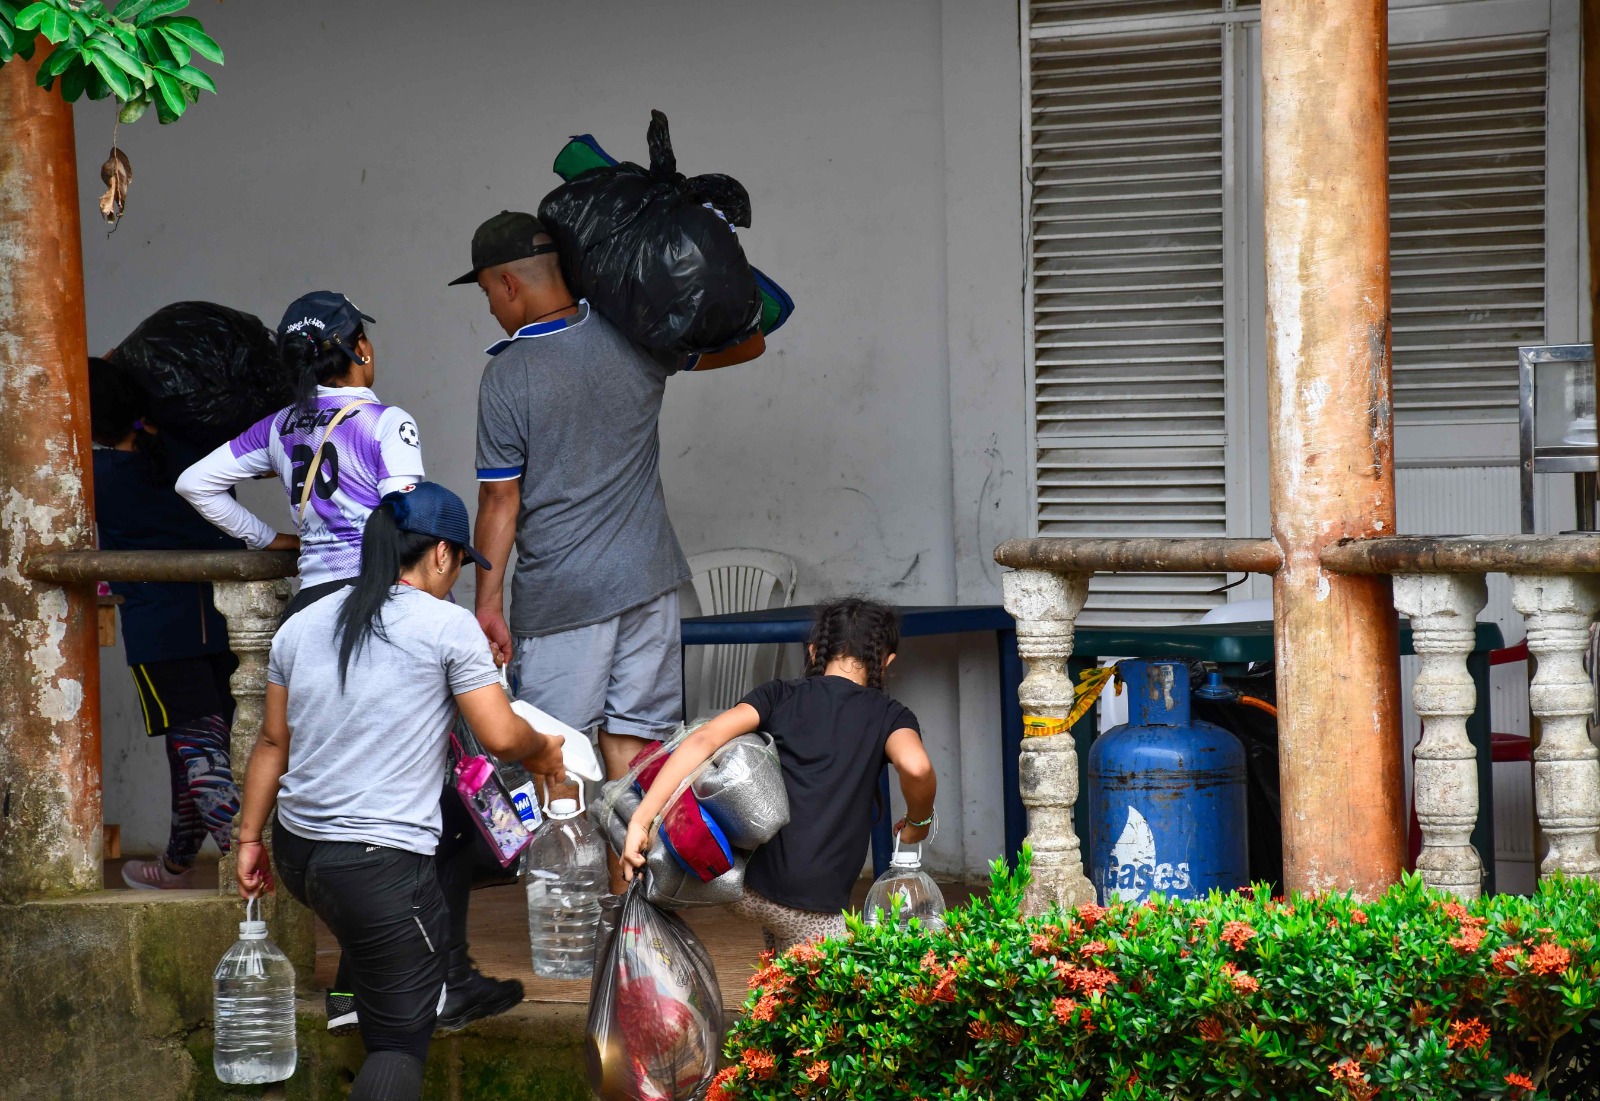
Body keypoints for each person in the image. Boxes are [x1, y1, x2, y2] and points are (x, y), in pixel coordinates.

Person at [457, 210, 764, 888]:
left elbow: (499, 501)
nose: (491, 310)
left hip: (565, 595)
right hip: (652, 581)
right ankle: (633, 897)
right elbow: (752, 341)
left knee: (553, 752)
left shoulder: (509, 377)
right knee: (635, 747)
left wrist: (487, 602)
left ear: (508, 283)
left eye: (485, 294)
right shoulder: (635, 337)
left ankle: (563, 900)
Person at [235, 482, 566, 1101]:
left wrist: (248, 839)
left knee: (459, 826)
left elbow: (272, 745)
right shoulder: (446, 625)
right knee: (397, 1044)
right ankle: (395, 988)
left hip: (298, 852)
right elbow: (499, 736)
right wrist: (544, 749)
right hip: (372, 863)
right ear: (441, 554)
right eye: (462, 561)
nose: (459, 575)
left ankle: (367, 982)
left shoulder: (301, 625)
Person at [621, 597, 937, 952]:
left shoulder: (778, 694)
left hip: (743, 884)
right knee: (837, 998)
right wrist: (918, 822)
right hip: (809, 903)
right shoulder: (890, 715)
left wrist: (641, 821)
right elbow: (917, 767)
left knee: (781, 986)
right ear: (886, 660)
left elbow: (703, 739)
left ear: (815, 650)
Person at [88, 357, 244, 889]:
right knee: (202, 750)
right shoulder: (185, 452)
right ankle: (177, 863)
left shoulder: (96, 476)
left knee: (199, 757)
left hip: (159, 632)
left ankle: (250, 865)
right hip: (217, 621)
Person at [176, 290, 424, 620]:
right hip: (381, 596)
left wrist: (266, 538)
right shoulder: (386, 421)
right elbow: (406, 518)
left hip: (313, 604)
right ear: (361, 348)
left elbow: (193, 483)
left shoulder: (277, 426)